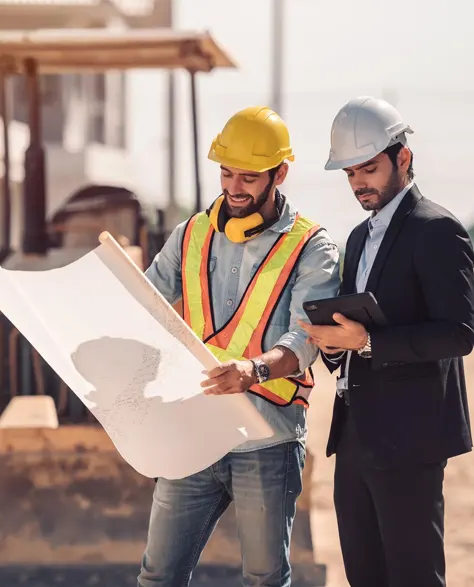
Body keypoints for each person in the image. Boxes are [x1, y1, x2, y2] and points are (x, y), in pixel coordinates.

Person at [138, 106, 340, 587]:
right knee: (157, 577)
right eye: (227, 173)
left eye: (249, 176)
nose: (233, 187)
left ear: (280, 173)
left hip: (266, 440)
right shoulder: (189, 235)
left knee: (264, 580)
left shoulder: (311, 248)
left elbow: (305, 339)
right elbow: (142, 303)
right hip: (193, 432)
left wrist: (254, 370)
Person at [299, 95, 474, 587]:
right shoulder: (356, 238)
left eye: (368, 169)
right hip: (355, 437)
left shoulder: (437, 230)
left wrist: (370, 343)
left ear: (403, 159)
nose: (358, 183)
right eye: (350, 173)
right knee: (364, 577)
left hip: (411, 441)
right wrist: (336, 345)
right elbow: (357, 333)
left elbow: (460, 332)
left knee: (414, 577)